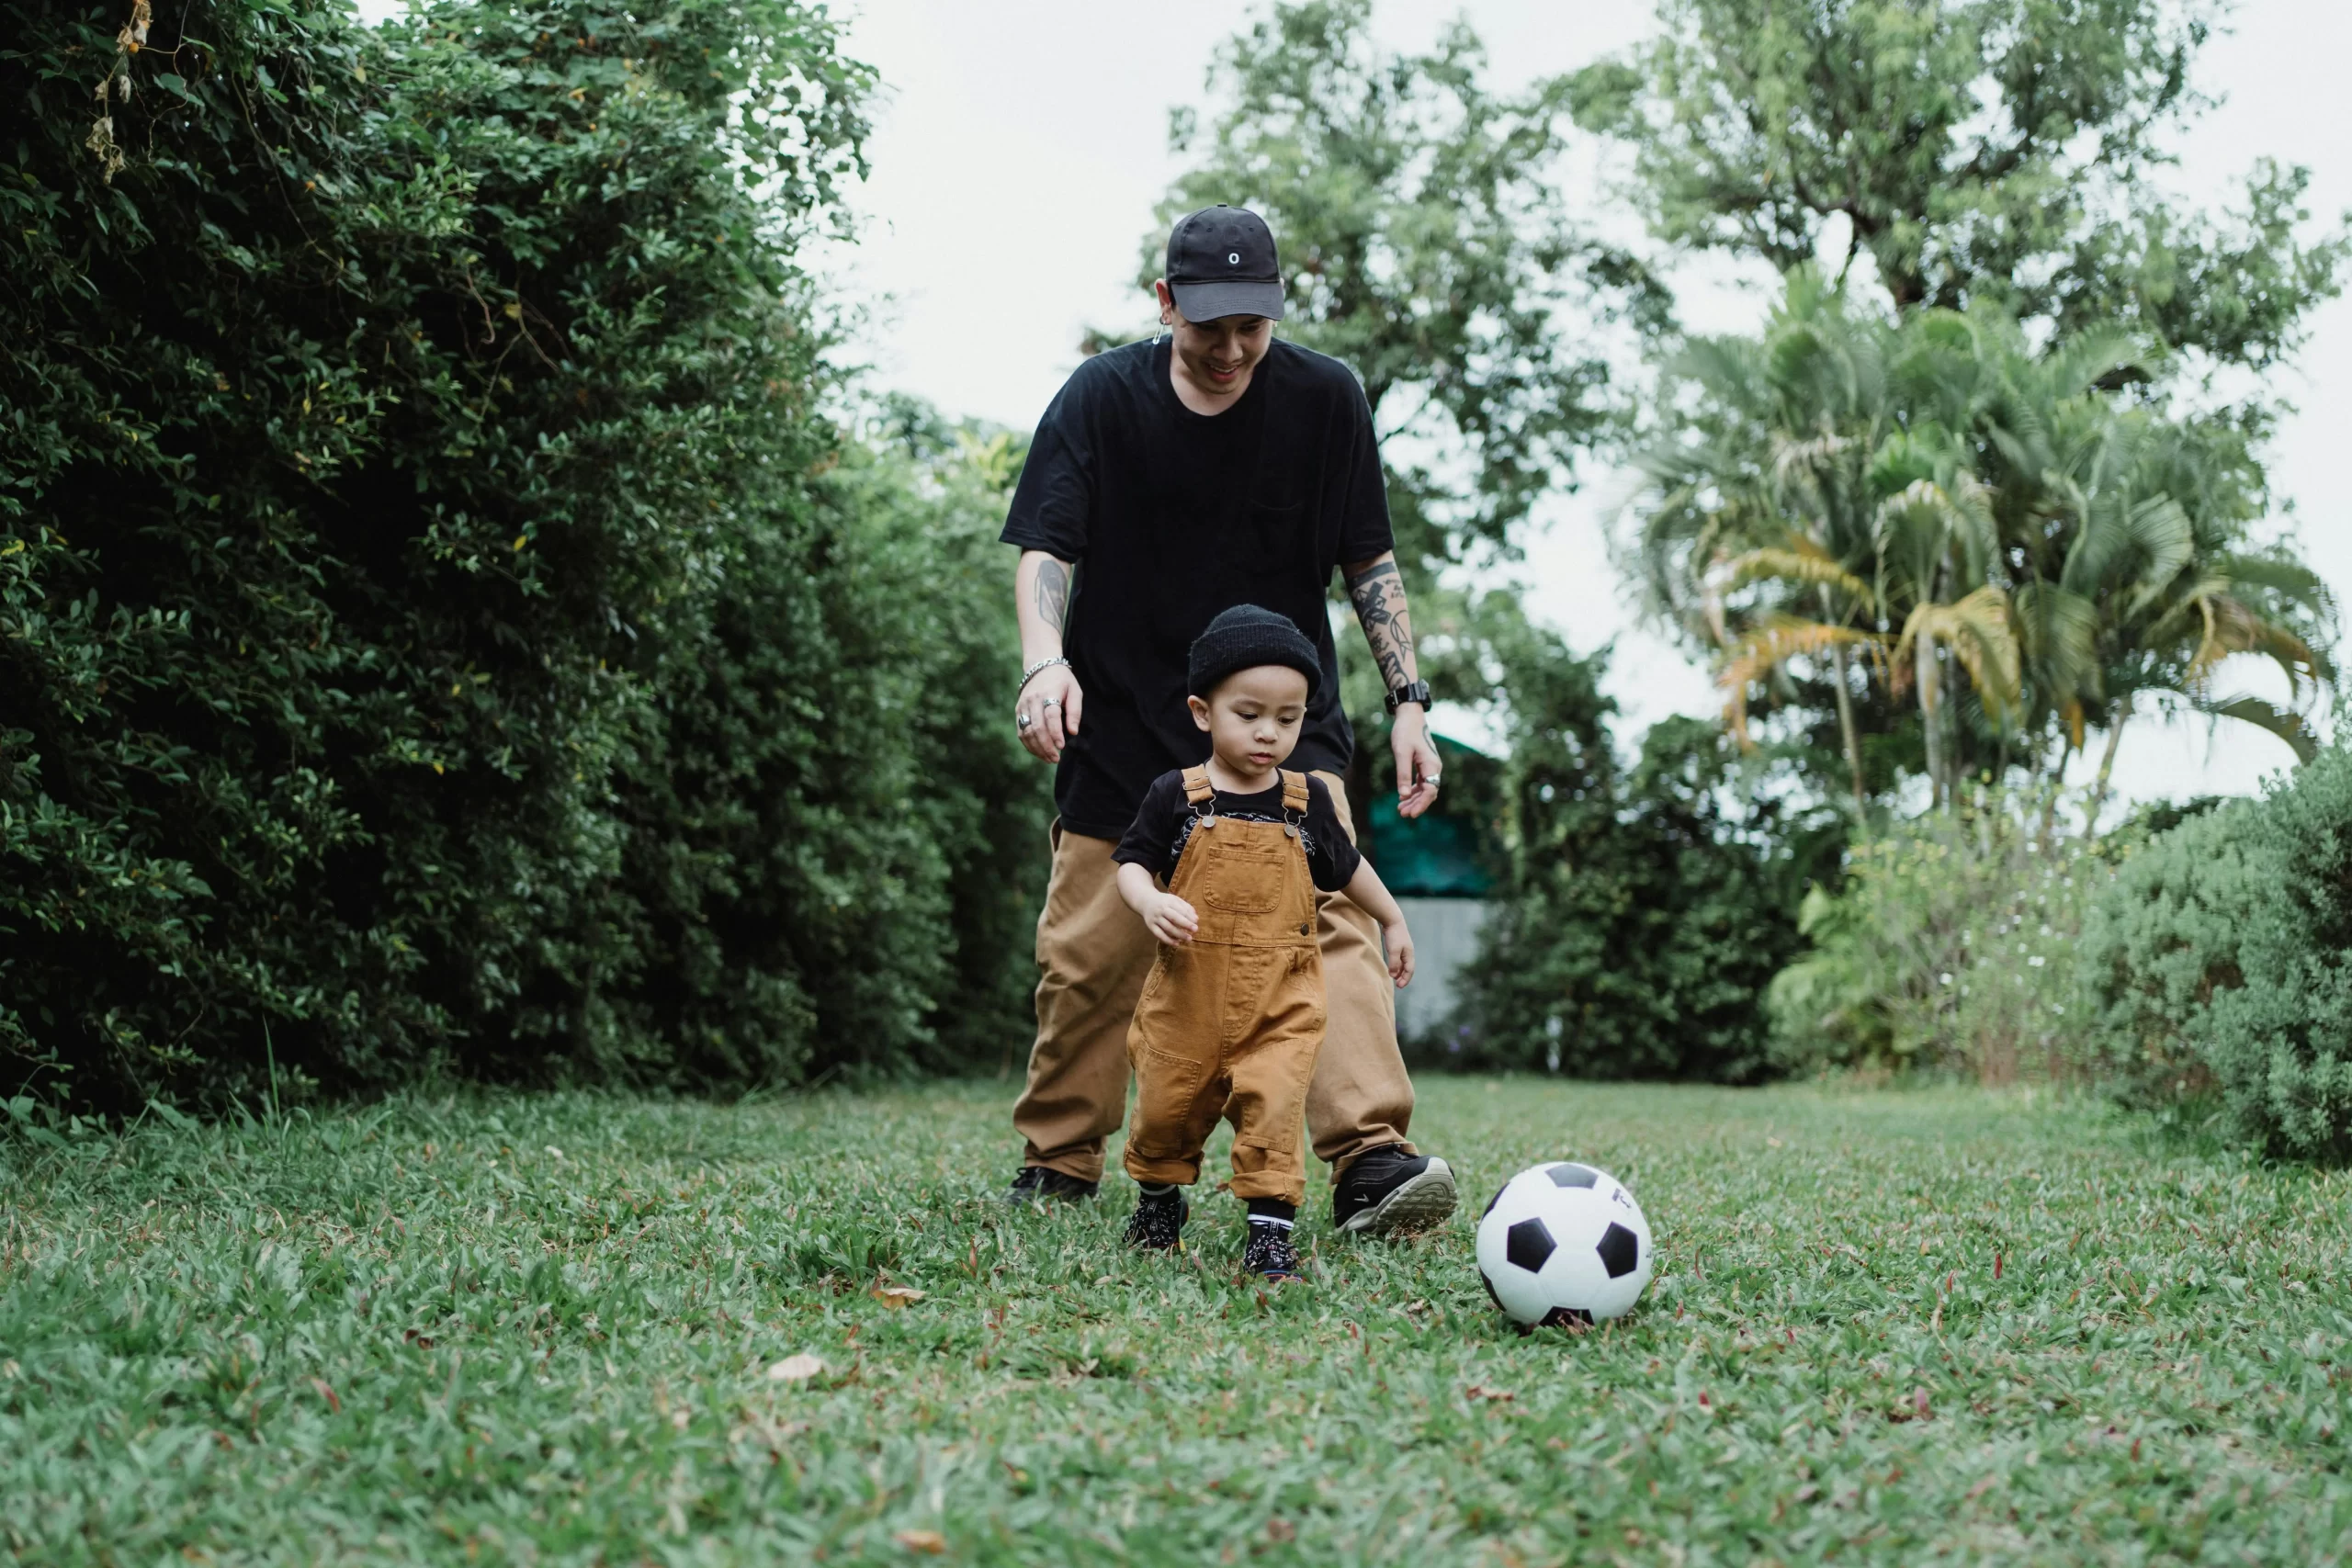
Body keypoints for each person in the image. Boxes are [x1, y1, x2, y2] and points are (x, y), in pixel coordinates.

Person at [1000, 202, 1458, 1238]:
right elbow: (1046, 546)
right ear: (1166, 305)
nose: (1231, 350)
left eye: (1252, 327)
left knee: (1327, 919)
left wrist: (1409, 704)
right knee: (1088, 951)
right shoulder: (1101, 401)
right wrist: (1043, 666)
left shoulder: (1325, 400)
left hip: (1279, 728)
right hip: (1121, 720)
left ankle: (1370, 1160)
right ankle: (1060, 1158)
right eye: (1209, 328)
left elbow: (1367, 562)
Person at [1113, 606, 1417, 1280]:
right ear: (1202, 711)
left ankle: (1269, 1236)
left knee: (1276, 1111)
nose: (1267, 733)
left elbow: (1350, 870)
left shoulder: (1306, 807)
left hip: (1280, 1004)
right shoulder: (1178, 797)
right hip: (1186, 1002)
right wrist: (1150, 898)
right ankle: (1160, 1201)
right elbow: (1129, 861)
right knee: (1164, 1111)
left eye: (1288, 718)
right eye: (1248, 713)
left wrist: (1392, 919)